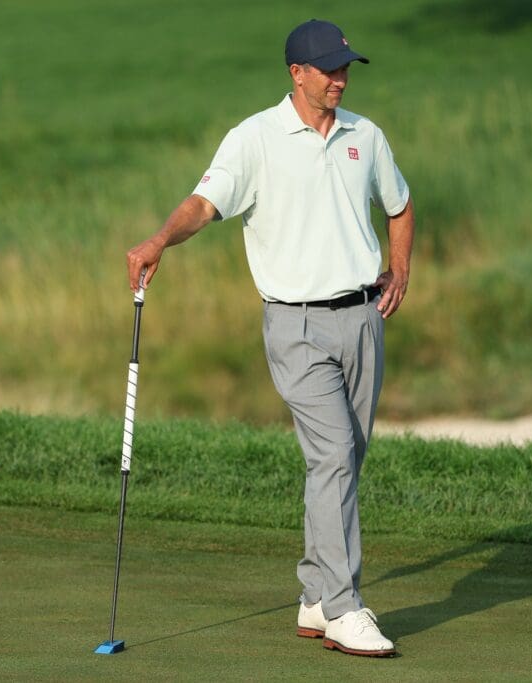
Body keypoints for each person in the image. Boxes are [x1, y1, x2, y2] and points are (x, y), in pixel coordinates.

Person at [125, 18, 414, 657]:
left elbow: (399, 204)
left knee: (342, 459)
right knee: (335, 452)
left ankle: (314, 594)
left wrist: (401, 269)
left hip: (364, 317)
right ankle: (343, 607)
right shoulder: (253, 139)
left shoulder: (365, 135)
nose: (340, 78)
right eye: (329, 69)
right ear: (296, 73)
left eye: (345, 68)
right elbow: (204, 204)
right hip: (297, 325)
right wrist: (158, 240)